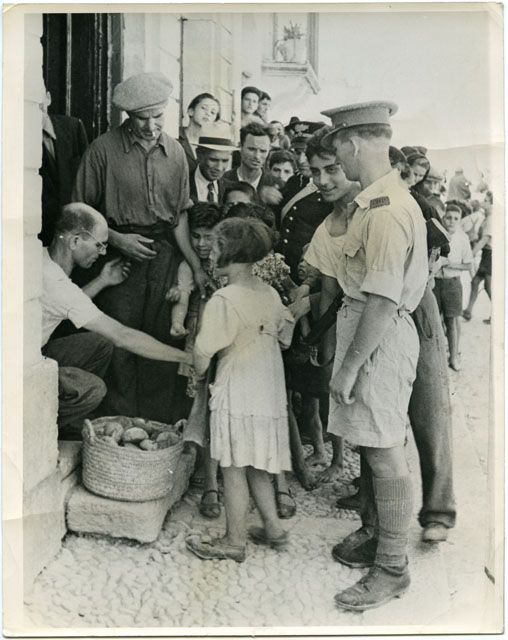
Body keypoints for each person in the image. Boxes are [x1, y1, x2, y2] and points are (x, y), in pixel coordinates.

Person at [319, 101, 428, 611]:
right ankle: (379, 535)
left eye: (338, 147)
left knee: (384, 451)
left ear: (353, 143)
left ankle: (392, 567)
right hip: (370, 330)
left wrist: (348, 367)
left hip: (378, 336)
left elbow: (382, 299)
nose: (338, 157)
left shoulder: (385, 211)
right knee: (372, 440)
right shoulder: (376, 200)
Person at [72, 71, 211, 422]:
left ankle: (154, 427)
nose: (151, 126)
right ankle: (118, 426)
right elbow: (79, 213)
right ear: (127, 116)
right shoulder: (102, 150)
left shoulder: (176, 152)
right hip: (118, 260)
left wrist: (195, 266)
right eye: (141, 118)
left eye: (157, 117)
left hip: (164, 257)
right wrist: (117, 239)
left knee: (162, 340)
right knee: (119, 345)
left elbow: (179, 216)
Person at [185, 217, 295, 562]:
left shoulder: (224, 298)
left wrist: (199, 375)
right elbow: (285, 337)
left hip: (238, 390)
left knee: (232, 467)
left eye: (215, 246)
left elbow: (203, 350)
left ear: (230, 252)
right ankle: (273, 528)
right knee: (256, 464)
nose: (208, 251)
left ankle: (233, 541)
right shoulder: (269, 292)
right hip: (267, 392)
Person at [42, 203, 191, 437]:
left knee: (99, 344)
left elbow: (64, 306)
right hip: (22, 366)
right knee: (93, 389)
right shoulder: (55, 283)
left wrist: (102, 280)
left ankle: (63, 417)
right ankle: (43, 426)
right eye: (99, 245)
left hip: (35, 352)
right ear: (75, 241)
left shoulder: (42, 258)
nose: (103, 253)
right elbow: (122, 335)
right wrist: (187, 358)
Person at [303, 125, 361, 483]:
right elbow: (327, 290)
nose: (322, 181)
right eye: (315, 171)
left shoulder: (373, 212)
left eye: (332, 169)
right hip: (343, 323)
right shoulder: (326, 227)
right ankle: (339, 461)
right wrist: (327, 351)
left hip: (382, 323)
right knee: (334, 390)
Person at [276, 122, 333, 280]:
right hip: (284, 267)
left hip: (310, 271)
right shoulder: (294, 182)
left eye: (306, 153)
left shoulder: (330, 187)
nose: (301, 160)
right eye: (297, 152)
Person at [39, 89, 89, 246]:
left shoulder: (73, 127)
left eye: (40, 104)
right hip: (40, 232)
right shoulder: (14, 136)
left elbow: (88, 178)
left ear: (48, 98)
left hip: (75, 230)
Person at [432, 204, 473, 371]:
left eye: (456, 218)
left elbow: (468, 265)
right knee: (435, 321)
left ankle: (454, 357)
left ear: (460, 220)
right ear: (443, 218)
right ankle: (437, 357)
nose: (451, 221)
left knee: (451, 322)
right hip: (435, 282)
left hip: (452, 283)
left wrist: (451, 264)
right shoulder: (437, 234)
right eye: (448, 217)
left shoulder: (463, 239)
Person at [223, 122, 282, 207]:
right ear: (240, 147)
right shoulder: (222, 181)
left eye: (263, 151)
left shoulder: (277, 186)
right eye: (251, 149)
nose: (257, 156)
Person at [189, 122, 237, 204]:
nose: (219, 168)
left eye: (225, 161)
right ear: (199, 154)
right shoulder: (182, 186)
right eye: (213, 160)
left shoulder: (232, 190)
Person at [178, 92, 221, 175]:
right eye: (203, 108)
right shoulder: (175, 136)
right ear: (191, 111)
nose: (208, 113)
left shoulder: (212, 145)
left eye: (212, 112)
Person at [463, 204, 492, 322]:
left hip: (490, 255)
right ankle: (468, 311)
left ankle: (499, 314)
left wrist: (472, 253)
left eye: (486, 202)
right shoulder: (487, 218)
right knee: (475, 282)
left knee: (488, 286)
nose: (483, 205)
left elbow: (485, 239)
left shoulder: (491, 219)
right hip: (487, 254)